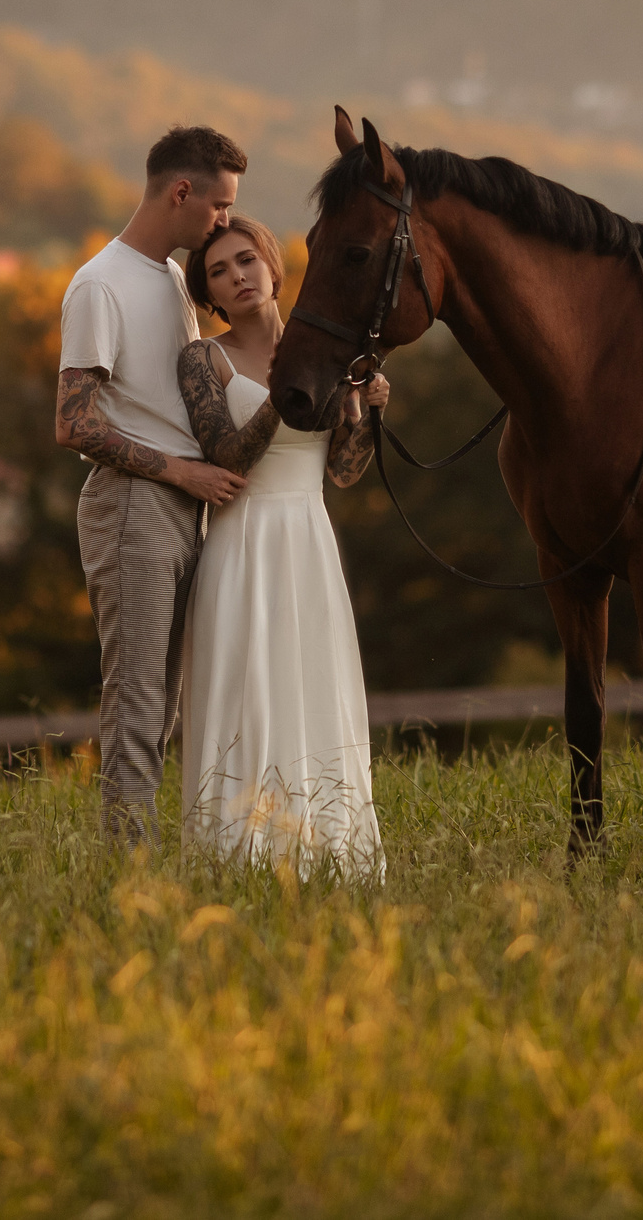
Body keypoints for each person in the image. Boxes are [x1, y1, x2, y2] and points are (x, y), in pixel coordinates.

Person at [174, 216, 390, 875]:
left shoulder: (325, 349)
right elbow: (226, 453)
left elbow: (343, 471)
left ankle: (327, 850)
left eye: (245, 261)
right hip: (242, 544)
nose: (237, 275)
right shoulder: (203, 359)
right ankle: (237, 855)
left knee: (313, 686)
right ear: (209, 293)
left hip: (309, 538)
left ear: (272, 266)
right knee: (246, 689)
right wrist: (285, 392)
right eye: (219, 271)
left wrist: (366, 409)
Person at [54, 126, 250, 845]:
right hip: (133, 504)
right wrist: (178, 471)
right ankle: (125, 867)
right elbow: (72, 423)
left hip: (180, 502)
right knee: (136, 696)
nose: (225, 221)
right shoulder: (100, 284)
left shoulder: (168, 275)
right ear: (181, 192)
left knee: (163, 702)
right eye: (220, 206)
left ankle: (147, 846)